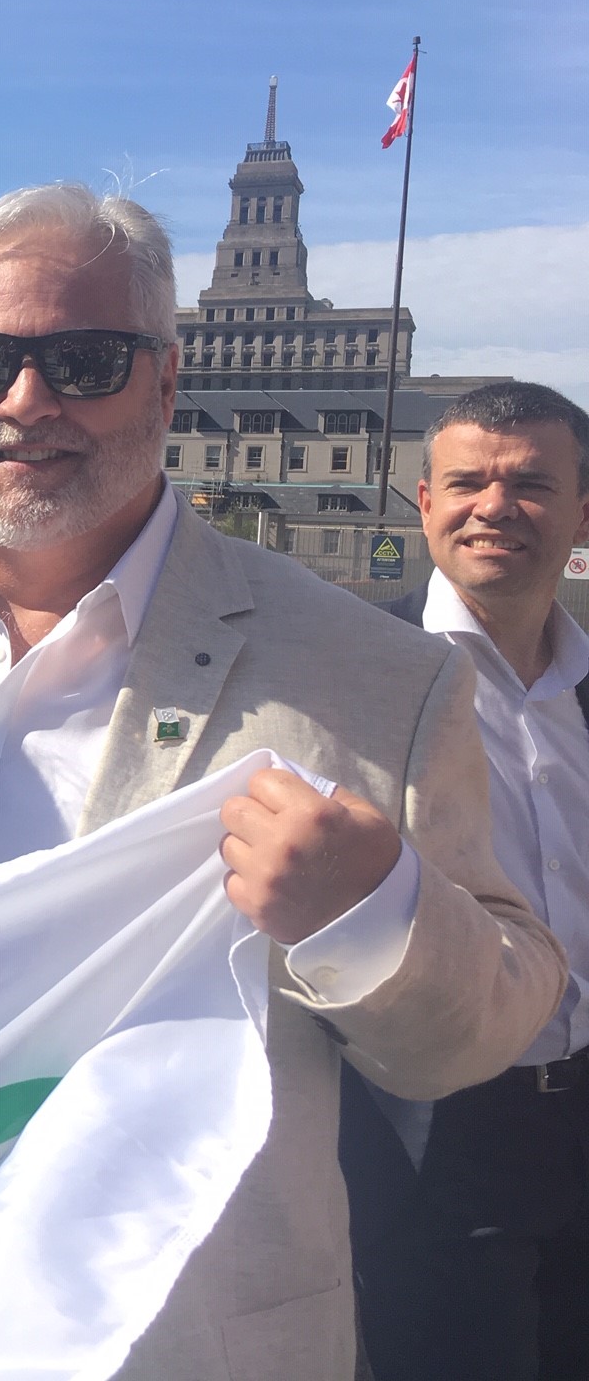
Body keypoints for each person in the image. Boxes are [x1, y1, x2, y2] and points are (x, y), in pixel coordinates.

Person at [0, 184, 565, 1378]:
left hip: (163, 1337)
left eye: (83, 360)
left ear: (167, 383)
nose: (25, 402)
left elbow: (492, 1018)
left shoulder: (376, 678)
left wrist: (376, 917)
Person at [343, 382, 589, 1380]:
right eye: (468, 482)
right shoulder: (353, 673)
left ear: (583, 510)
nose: (495, 506)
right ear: (423, 502)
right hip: (434, 1133)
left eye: (532, 483)